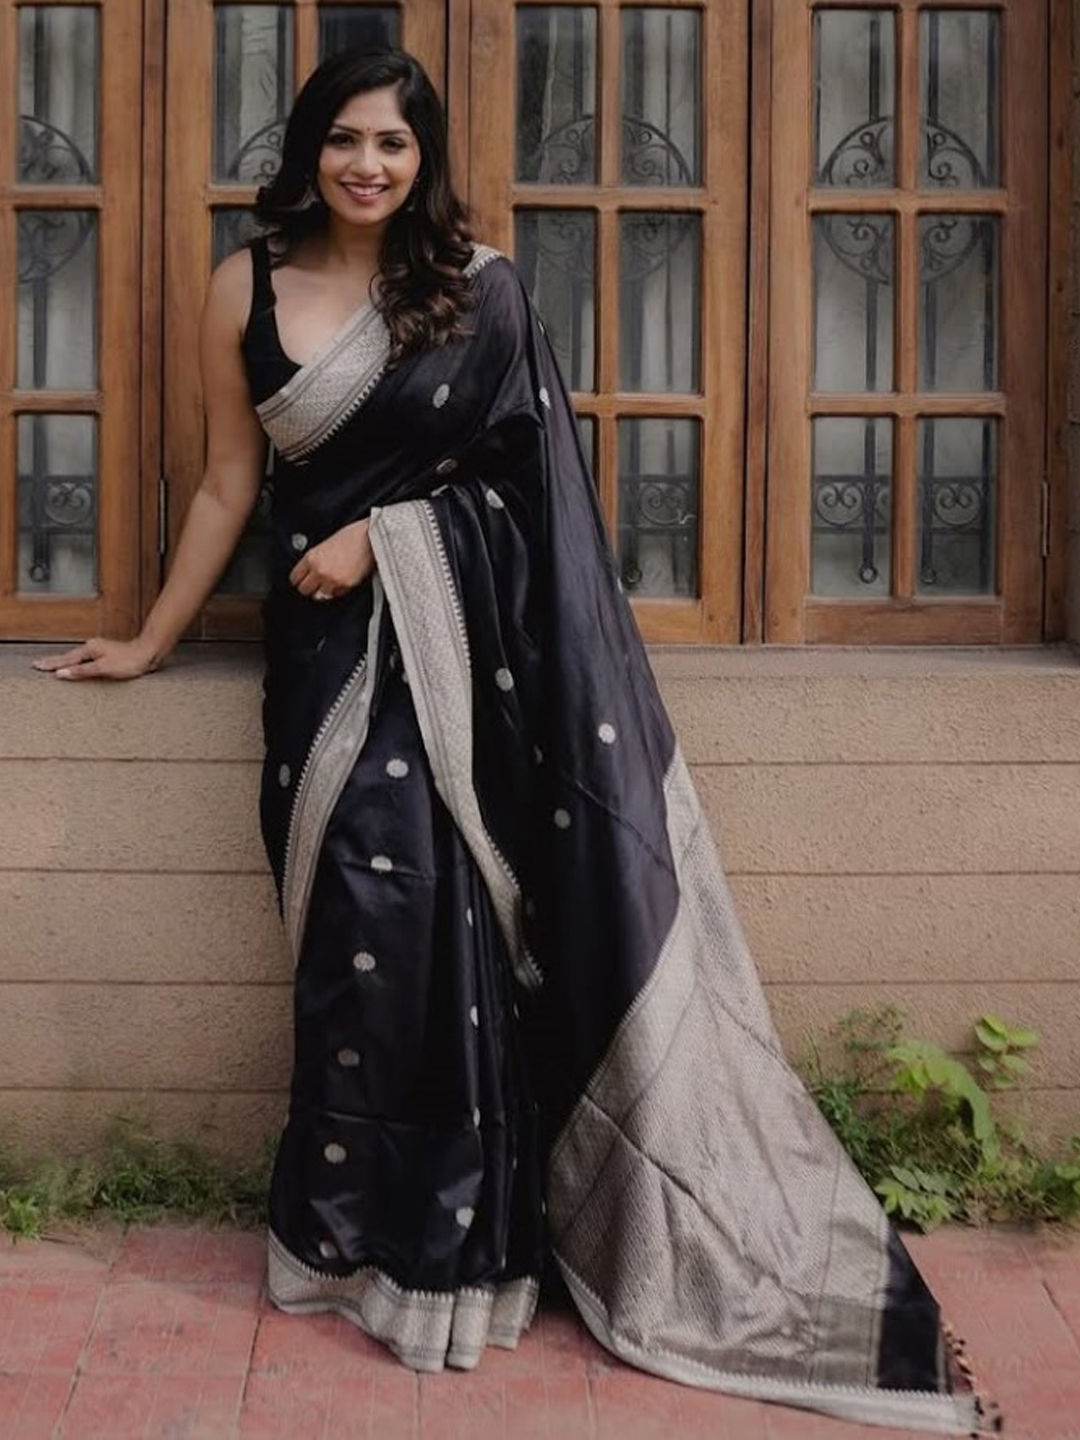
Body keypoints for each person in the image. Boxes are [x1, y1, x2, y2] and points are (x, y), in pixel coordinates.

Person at [34, 47, 995, 1434]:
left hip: (459, 662)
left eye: (395, 145)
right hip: (322, 667)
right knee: (353, 939)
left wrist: (389, 536)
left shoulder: (475, 290)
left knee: (438, 925)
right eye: (346, 139)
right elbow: (229, 484)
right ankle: (343, 1241)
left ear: (424, 158)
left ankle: (454, 1261)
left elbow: (528, 492)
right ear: (308, 148)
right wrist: (150, 638)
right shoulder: (241, 285)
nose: (369, 165)